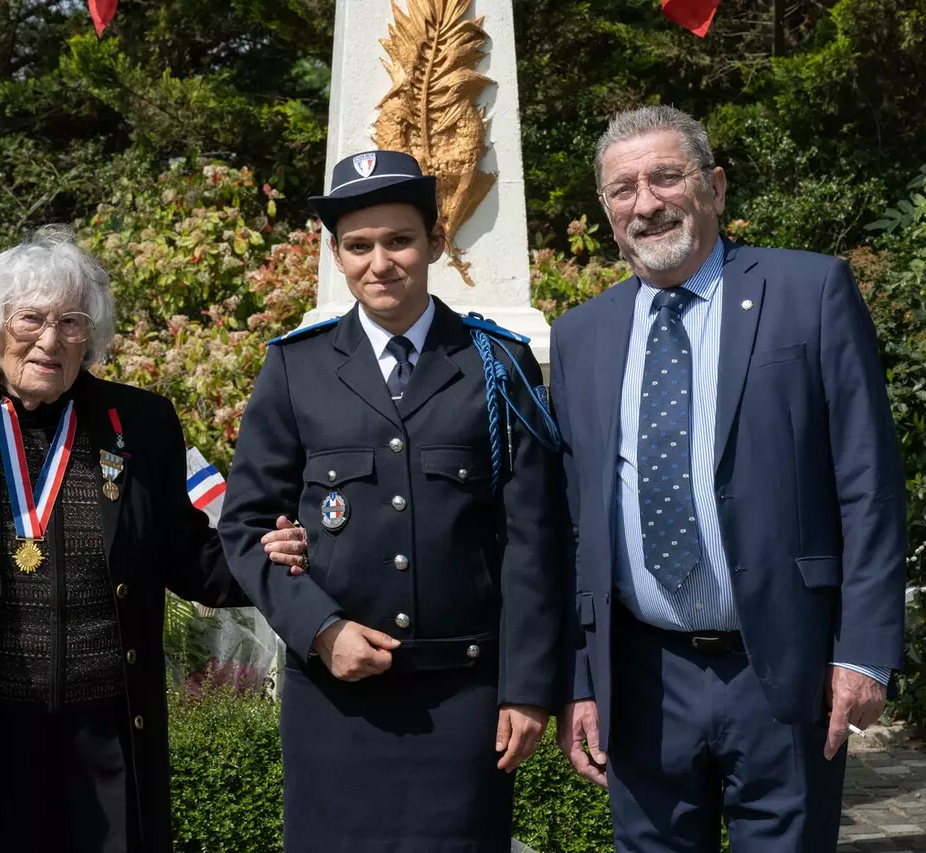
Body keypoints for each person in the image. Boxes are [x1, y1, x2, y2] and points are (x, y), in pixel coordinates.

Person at [552, 105, 907, 852]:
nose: (646, 203)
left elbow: (868, 482)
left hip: (784, 666)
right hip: (642, 676)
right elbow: (574, 523)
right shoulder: (580, 335)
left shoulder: (810, 290)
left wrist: (863, 652)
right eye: (623, 189)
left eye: (665, 177)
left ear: (713, 186)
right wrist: (580, 679)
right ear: (607, 213)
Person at [0, 226, 305, 853]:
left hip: (109, 737)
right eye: (30, 319)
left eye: (71, 322)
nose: (50, 340)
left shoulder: (139, 423)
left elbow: (189, 556)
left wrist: (264, 556)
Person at [217, 150, 567, 852]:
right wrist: (321, 628)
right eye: (359, 246)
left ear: (435, 242)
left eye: (400, 240)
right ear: (337, 257)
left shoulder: (497, 364)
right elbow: (247, 525)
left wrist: (528, 687)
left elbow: (535, 535)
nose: (380, 263)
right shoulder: (296, 367)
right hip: (335, 698)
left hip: (464, 696)